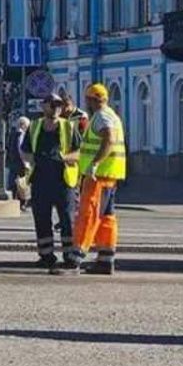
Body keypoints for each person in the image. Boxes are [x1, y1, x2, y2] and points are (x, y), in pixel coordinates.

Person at [56, 83, 125, 276]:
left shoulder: (101, 117)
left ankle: (75, 260)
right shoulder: (112, 115)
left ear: (92, 100)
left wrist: (95, 163)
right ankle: (105, 260)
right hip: (110, 175)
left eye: (88, 99)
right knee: (107, 218)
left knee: (88, 215)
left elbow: (109, 139)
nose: (86, 102)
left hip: (98, 175)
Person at [21, 95, 82, 268]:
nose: (56, 108)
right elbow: (25, 150)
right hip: (40, 179)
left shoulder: (68, 126)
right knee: (41, 219)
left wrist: (65, 157)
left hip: (63, 181)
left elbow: (79, 152)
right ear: (44, 106)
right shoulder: (35, 126)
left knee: (67, 220)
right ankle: (46, 256)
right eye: (52, 104)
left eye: (59, 105)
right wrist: (30, 161)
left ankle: (70, 257)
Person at [7, 116, 31, 209]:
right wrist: (26, 163)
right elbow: (22, 150)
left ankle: (15, 200)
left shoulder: (12, 134)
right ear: (23, 125)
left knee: (14, 183)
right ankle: (22, 203)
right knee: (22, 184)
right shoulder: (22, 135)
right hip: (21, 163)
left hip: (13, 162)